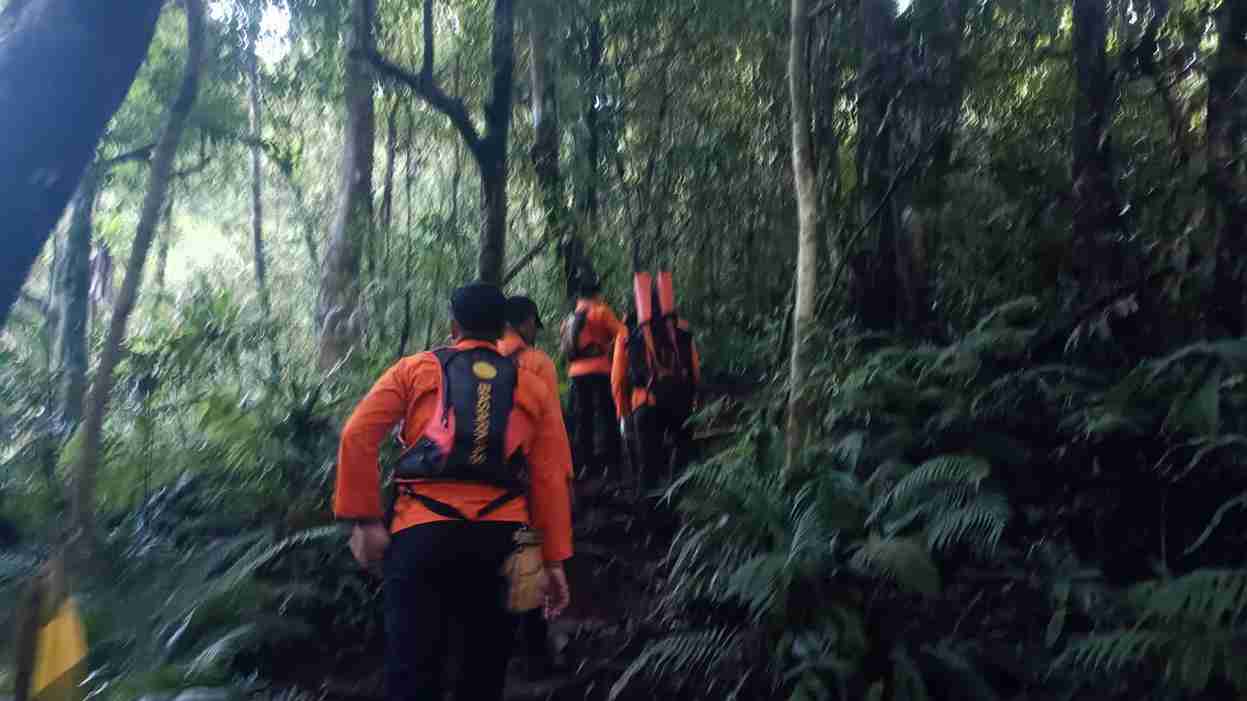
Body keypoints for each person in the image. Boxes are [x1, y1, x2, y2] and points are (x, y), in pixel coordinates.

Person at [332, 282, 573, 701]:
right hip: (503, 542)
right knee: (483, 673)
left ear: (453, 326)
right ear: (501, 329)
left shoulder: (414, 369)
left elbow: (357, 434)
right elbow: (549, 476)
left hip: (421, 534)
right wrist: (552, 561)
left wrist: (366, 521)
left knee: (412, 671)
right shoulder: (532, 384)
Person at [499, 294, 568, 678]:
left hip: (472, 491)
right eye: (533, 325)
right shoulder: (537, 363)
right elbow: (549, 437)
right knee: (527, 560)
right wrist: (562, 482)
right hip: (521, 486)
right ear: (525, 322)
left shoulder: (471, 360)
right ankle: (533, 657)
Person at [611, 275, 701, 495]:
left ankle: (651, 512)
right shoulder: (681, 327)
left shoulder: (627, 332)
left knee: (648, 469)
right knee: (682, 461)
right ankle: (682, 506)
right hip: (679, 402)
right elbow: (694, 370)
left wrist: (624, 413)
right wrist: (693, 400)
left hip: (645, 404)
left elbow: (618, 378)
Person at [561, 268, 625, 481]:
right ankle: (612, 466)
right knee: (607, 417)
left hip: (576, 374)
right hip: (599, 370)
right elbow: (623, 334)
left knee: (583, 419)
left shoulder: (570, 318)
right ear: (597, 293)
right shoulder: (601, 311)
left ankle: (587, 466)